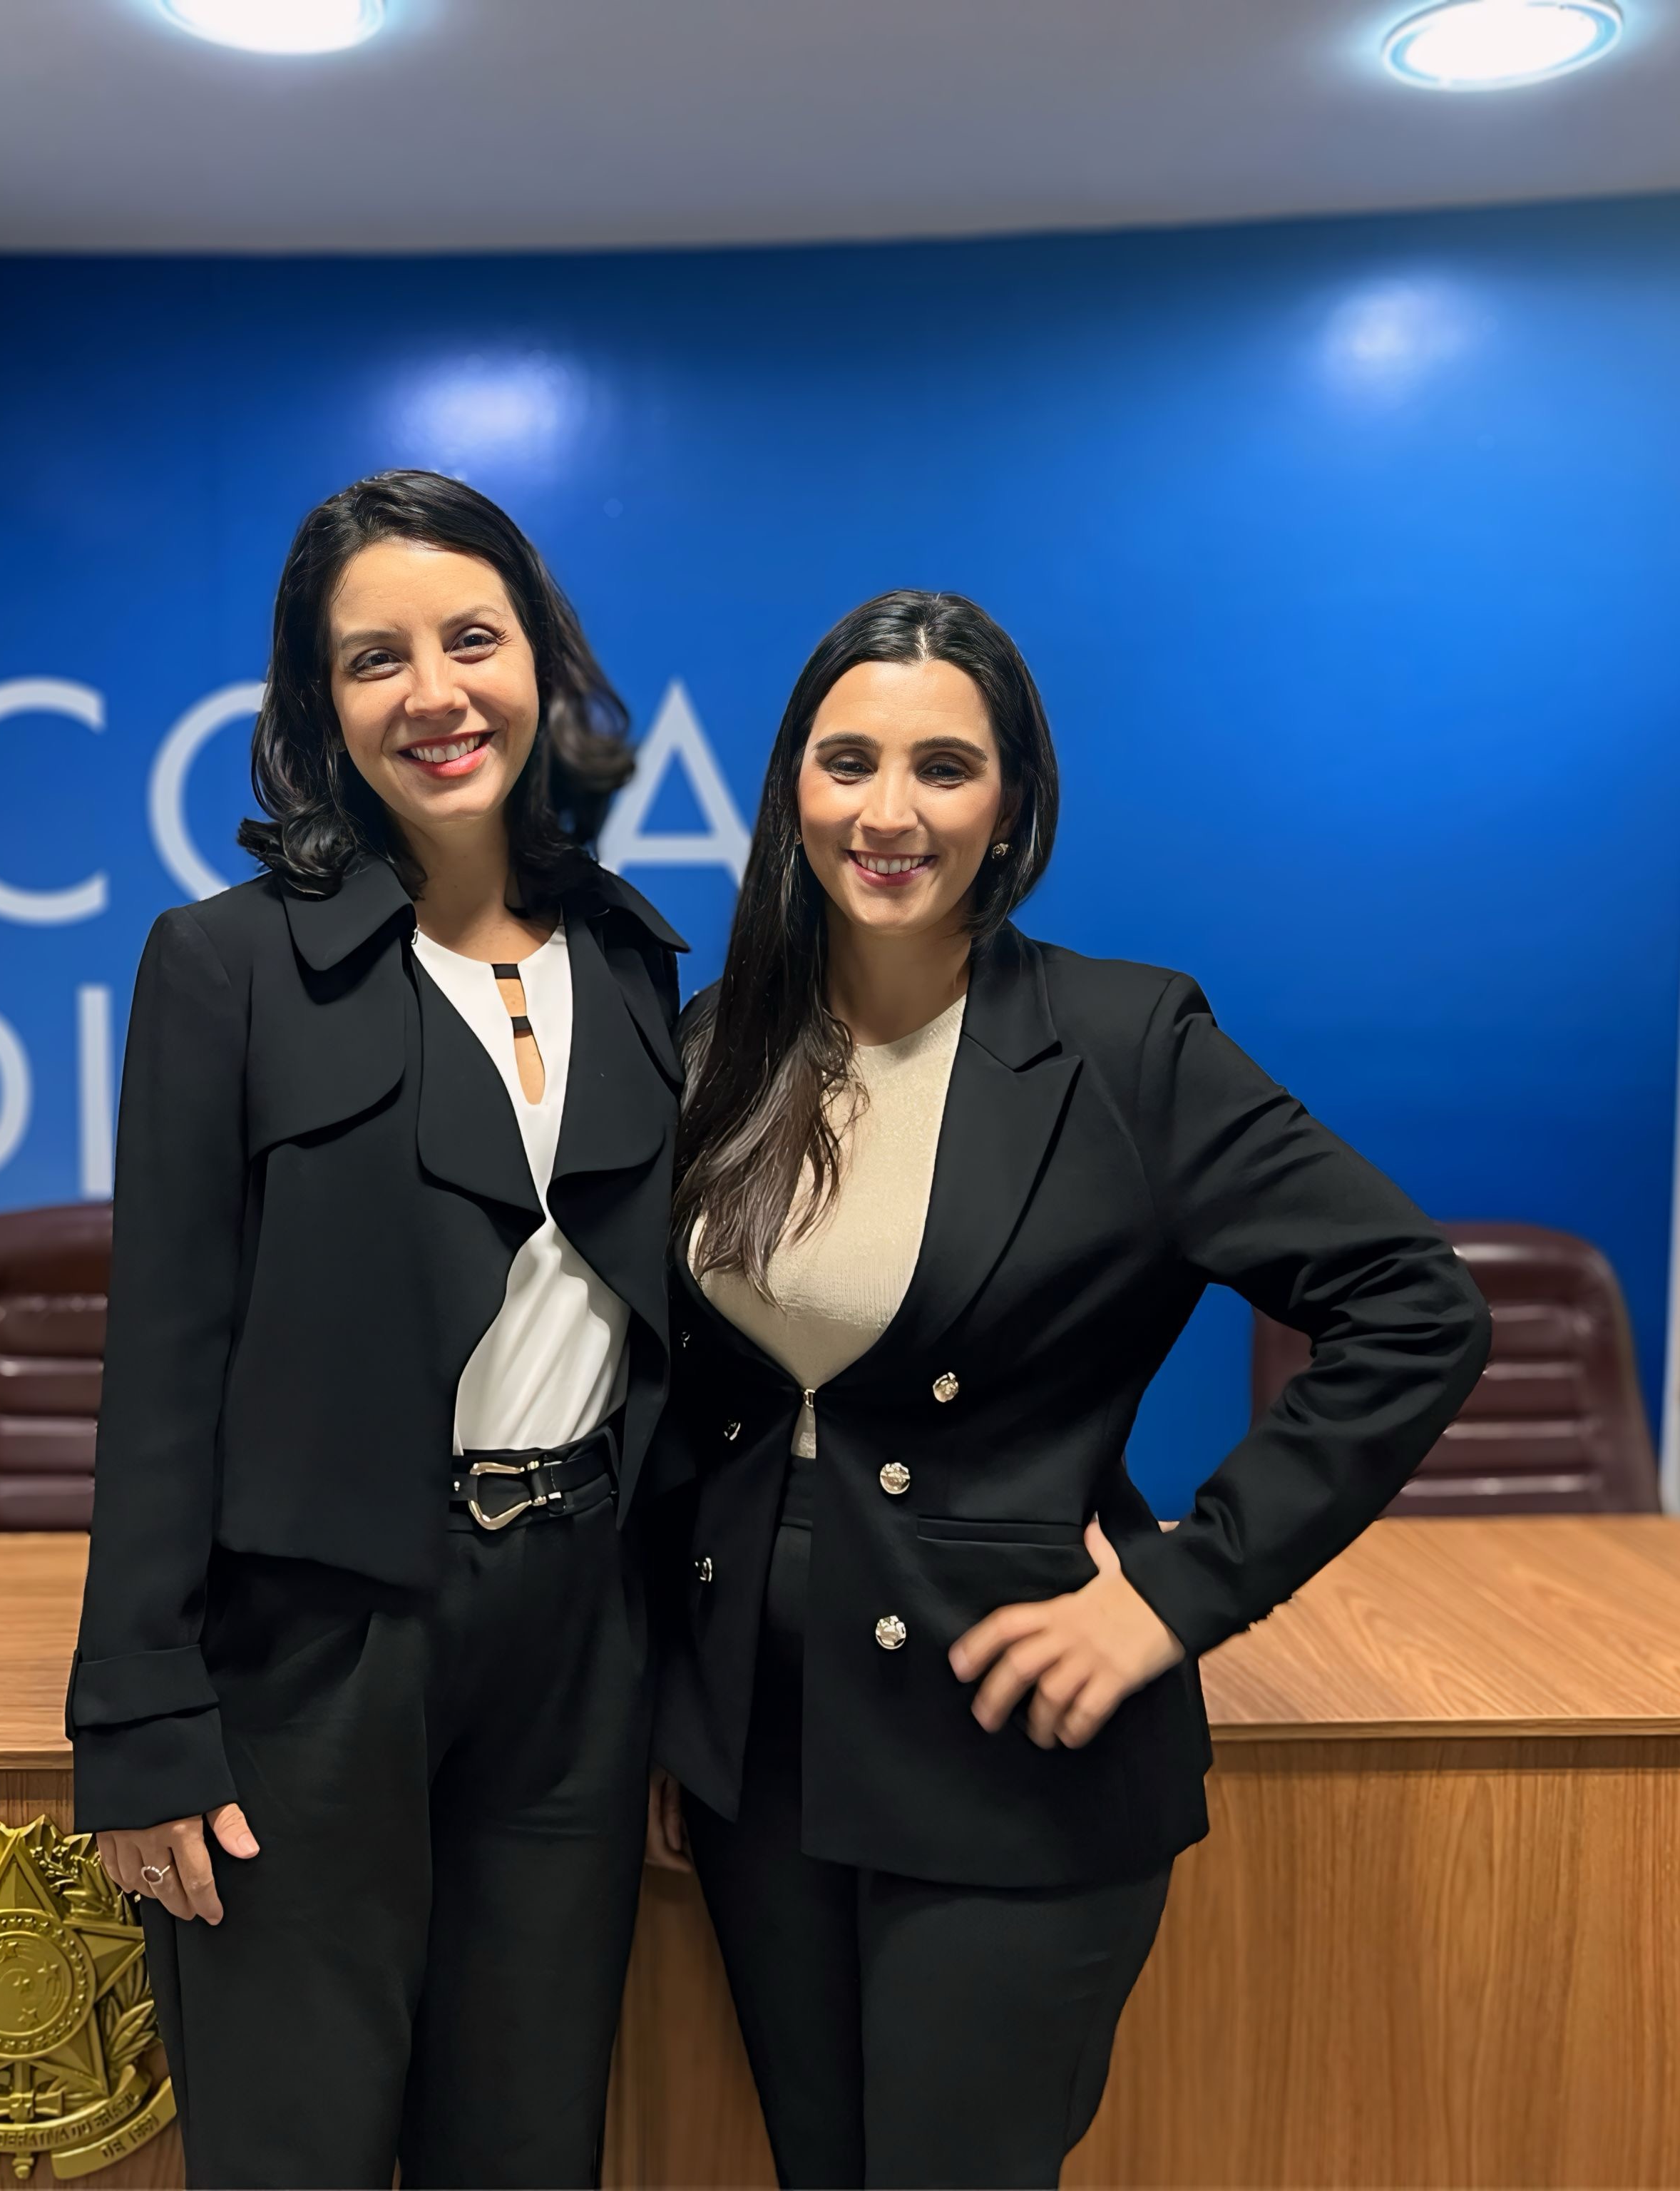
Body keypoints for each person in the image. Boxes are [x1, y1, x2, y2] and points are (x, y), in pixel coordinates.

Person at [647, 589, 1490, 2189]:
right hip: (760, 1763)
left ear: (1011, 806)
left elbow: (1412, 1308)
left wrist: (1178, 1591)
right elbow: (699, 1411)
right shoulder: (718, 1045)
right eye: (845, 762)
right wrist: (672, 1711)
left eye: (942, 768)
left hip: (1007, 1752)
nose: (887, 811)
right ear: (790, 792)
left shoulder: (1125, 1044)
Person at [70, 471, 687, 2187]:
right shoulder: (222, 966)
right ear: (315, 709)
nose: (433, 693)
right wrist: (135, 1716)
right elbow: (165, 1358)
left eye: (470, 639)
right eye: (371, 660)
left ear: (540, 665)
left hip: (574, 1641)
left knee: (527, 2145)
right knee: (296, 2151)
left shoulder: (634, 964)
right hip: (315, 1653)